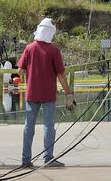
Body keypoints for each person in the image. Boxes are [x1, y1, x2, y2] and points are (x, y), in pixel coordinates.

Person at [17, 17, 74, 168]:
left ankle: (25, 159)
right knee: (48, 125)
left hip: (32, 94)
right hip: (48, 94)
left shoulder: (29, 48)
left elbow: (20, 71)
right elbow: (61, 75)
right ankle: (48, 158)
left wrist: (31, 70)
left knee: (29, 126)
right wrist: (68, 93)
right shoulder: (54, 50)